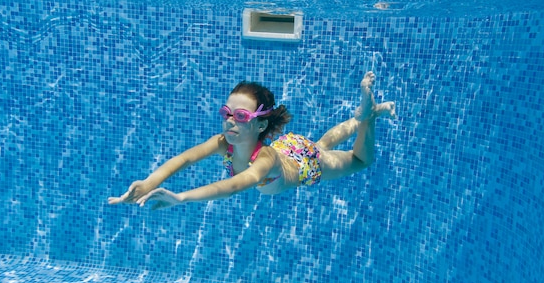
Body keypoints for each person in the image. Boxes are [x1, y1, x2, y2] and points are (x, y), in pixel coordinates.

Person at [108, 72, 396, 210]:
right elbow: (185, 158)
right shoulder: (224, 141)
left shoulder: (264, 159)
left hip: (304, 164)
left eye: (241, 115)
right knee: (321, 144)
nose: (231, 120)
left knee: (360, 160)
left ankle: (367, 117)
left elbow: (234, 185)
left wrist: (181, 197)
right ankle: (360, 116)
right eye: (227, 113)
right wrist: (150, 181)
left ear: (260, 124)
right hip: (290, 146)